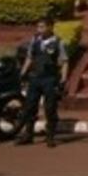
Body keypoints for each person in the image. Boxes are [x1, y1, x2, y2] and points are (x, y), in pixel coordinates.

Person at [17, 18, 69, 148]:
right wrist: (22, 73)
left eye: (42, 27)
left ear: (50, 27)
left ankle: (50, 136)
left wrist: (63, 79)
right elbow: (29, 57)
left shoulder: (58, 42)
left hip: (49, 79)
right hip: (35, 78)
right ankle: (28, 134)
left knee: (50, 108)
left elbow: (64, 61)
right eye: (38, 27)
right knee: (30, 106)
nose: (39, 29)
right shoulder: (35, 40)